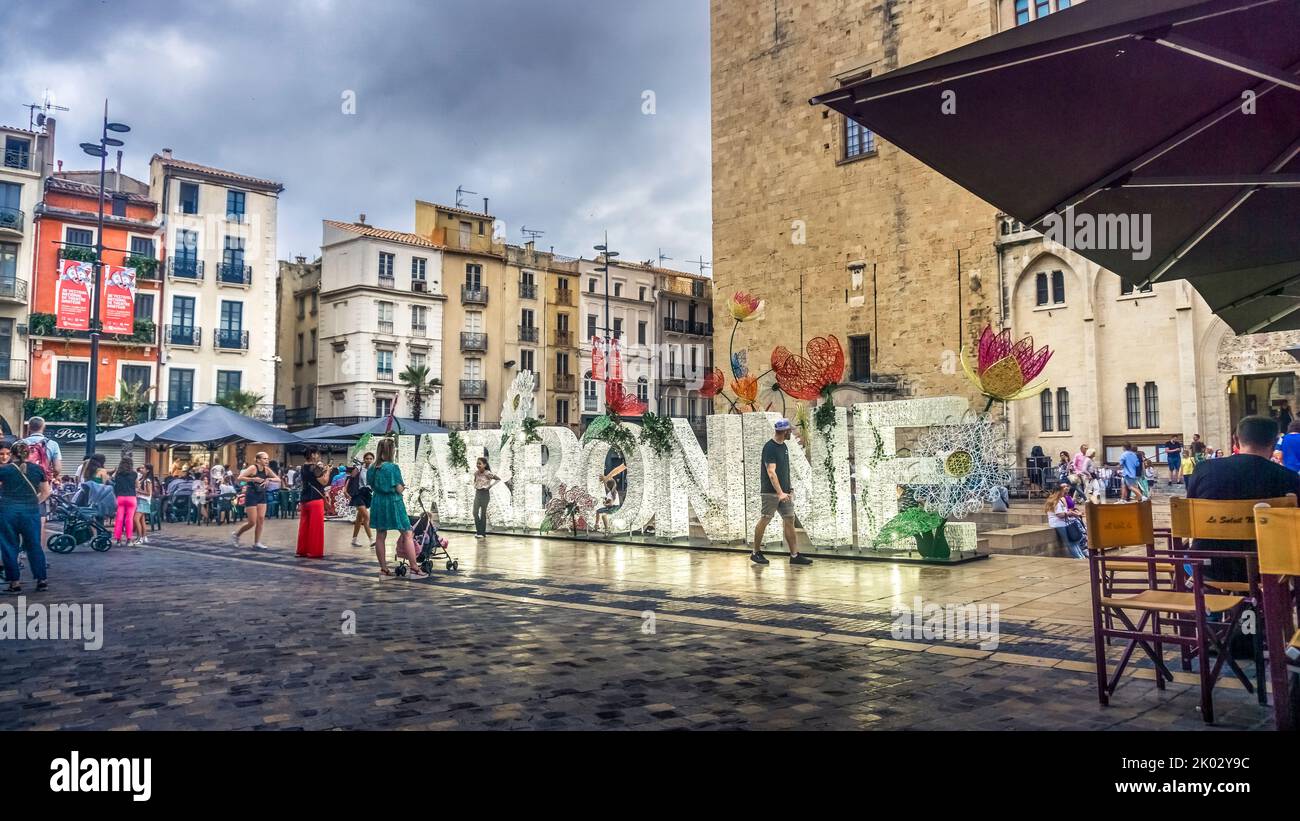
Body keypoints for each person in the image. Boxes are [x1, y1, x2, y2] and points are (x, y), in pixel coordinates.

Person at [1188, 415, 1300, 584]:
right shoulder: (1289, 478)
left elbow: (1189, 513)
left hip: (1209, 566)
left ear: (1236, 439)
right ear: (1273, 441)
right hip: (1269, 570)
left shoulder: (1204, 469)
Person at [751, 418, 810, 565]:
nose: (791, 432)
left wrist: (788, 488)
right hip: (771, 493)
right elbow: (771, 472)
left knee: (789, 519)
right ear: (784, 431)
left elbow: (784, 470)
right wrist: (779, 493)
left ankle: (794, 555)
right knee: (765, 518)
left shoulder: (783, 446)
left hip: (784, 492)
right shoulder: (770, 447)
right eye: (789, 430)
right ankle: (755, 552)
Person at [0, 440, 51, 593]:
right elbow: (46, 492)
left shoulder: (5, 470)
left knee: (9, 546)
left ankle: (15, 583)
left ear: (13, 454)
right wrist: (34, 502)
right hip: (30, 511)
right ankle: (42, 580)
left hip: (8, 511)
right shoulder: (38, 470)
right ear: (28, 454)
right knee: (34, 545)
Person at [369, 438, 423, 578]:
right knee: (407, 533)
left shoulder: (372, 468)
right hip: (393, 502)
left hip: (378, 501)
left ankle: (383, 569)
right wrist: (403, 486)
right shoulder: (393, 468)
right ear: (391, 451)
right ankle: (414, 568)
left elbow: (371, 485)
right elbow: (399, 489)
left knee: (380, 535)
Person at [232, 452, 277, 549]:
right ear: (258, 460)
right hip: (251, 494)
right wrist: (253, 479)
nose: (267, 460)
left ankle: (257, 543)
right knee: (252, 522)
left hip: (262, 495)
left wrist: (269, 480)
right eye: (264, 458)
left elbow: (278, 479)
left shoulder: (267, 470)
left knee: (261, 519)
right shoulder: (252, 468)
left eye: (267, 458)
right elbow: (240, 478)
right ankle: (236, 535)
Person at [296, 447, 328, 559]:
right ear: (313, 455)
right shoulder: (314, 467)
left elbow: (313, 478)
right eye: (318, 454)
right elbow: (324, 482)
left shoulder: (303, 467)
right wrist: (327, 471)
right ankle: (314, 551)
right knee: (316, 527)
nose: (319, 456)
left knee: (304, 526)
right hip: (315, 499)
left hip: (305, 499)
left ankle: (302, 550)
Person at [1044, 484, 1085, 559]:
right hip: (1059, 524)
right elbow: (1060, 514)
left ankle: (1081, 556)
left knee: (1074, 542)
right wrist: (1071, 513)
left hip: (1064, 523)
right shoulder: (1055, 501)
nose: (1064, 492)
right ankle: (1079, 558)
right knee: (1070, 542)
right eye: (1062, 491)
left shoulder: (1059, 500)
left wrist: (1071, 513)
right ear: (1059, 492)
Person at [347, 452, 375, 547]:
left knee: (359, 518)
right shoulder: (359, 468)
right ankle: (371, 539)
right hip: (358, 494)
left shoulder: (373, 469)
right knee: (366, 517)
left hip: (367, 494)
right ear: (364, 459)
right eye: (367, 458)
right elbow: (350, 479)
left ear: (373, 460)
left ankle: (354, 539)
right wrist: (346, 491)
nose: (369, 460)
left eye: (371, 458)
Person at [472, 457, 500, 538]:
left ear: (484, 465)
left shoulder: (488, 473)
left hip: (485, 494)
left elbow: (498, 479)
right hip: (477, 493)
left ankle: (481, 533)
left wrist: (490, 486)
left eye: (480, 463)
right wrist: (476, 485)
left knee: (483, 513)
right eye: (477, 463)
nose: (478, 465)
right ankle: (479, 531)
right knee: (475, 512)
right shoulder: (476, 473)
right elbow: (475, 481)